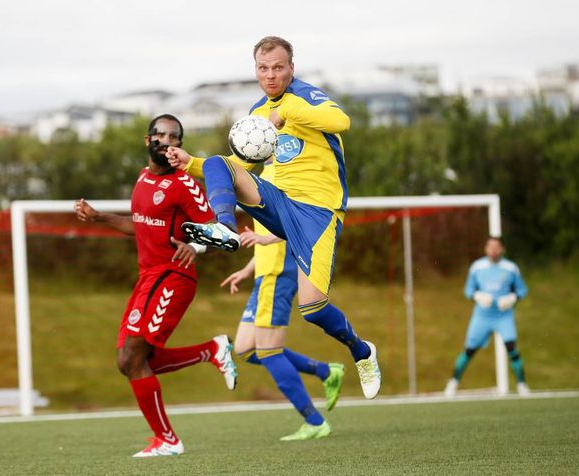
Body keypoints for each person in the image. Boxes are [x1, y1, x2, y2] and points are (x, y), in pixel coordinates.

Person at [166, 36, 381, 420]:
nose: (271, 75)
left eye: (278, 67)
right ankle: (224, 227)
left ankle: (362, 352)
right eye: (263, 69)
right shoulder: (257, 111)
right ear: (255, 71)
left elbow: (341, 121)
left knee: (313, 308)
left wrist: (288, 114)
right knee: (220, 162)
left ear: (291, 68)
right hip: (279, 201)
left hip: (317, 212)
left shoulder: (305, 96)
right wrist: (190, 164)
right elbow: (241, 165)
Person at [74, 114, 237, 458]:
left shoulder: (185, 183)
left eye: (174, 137)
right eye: (160, 135)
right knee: (127, 361)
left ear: (180, 144)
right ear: (148, 141)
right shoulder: (143, 178)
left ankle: (168, 440)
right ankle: (212, 350)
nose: (167, 141)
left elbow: (223, 232)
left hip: (174, 276)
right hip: (149, 276)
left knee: (133, 356)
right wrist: (100, 217)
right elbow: (140, 225)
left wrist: (196, 246)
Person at [220, 159, 345, 441]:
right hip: (264, 273)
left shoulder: (286, 172)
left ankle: (314, 421)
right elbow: (266, 231)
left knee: (268, 351)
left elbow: (301, 221)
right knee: (245, 347)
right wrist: (247, 269)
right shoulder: (262, 173)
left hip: (278, 273)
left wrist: (267, 242)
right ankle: (326, 372)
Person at [444, 236, 530, 397]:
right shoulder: (477, 267)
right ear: (485, 249)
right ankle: (453, 383)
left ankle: (522, 384)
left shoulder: (511, 268)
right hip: (482, 316)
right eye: (490, 246)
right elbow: (468, 290)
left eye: (496, 247)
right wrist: (477, 296)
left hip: (504, 316)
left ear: (502, 249)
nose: (493, 250)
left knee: (512, 349)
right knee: (469, 351)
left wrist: (512, 298)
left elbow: (522, 290)